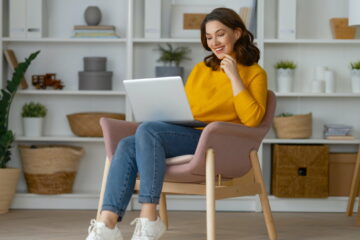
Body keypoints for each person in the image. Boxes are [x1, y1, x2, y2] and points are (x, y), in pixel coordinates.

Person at [86, 7, 267, 240]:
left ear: (237, 33)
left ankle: (149, 215)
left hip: (218, 143)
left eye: (220, 34)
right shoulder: (202, 69)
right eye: (209, 37)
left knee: (147, 130)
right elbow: (190, 108)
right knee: (128, 144)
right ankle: (107, 223)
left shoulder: (255, 73)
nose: (214, 42)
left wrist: (234, 77)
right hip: (189, 132)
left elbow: (252, 120)